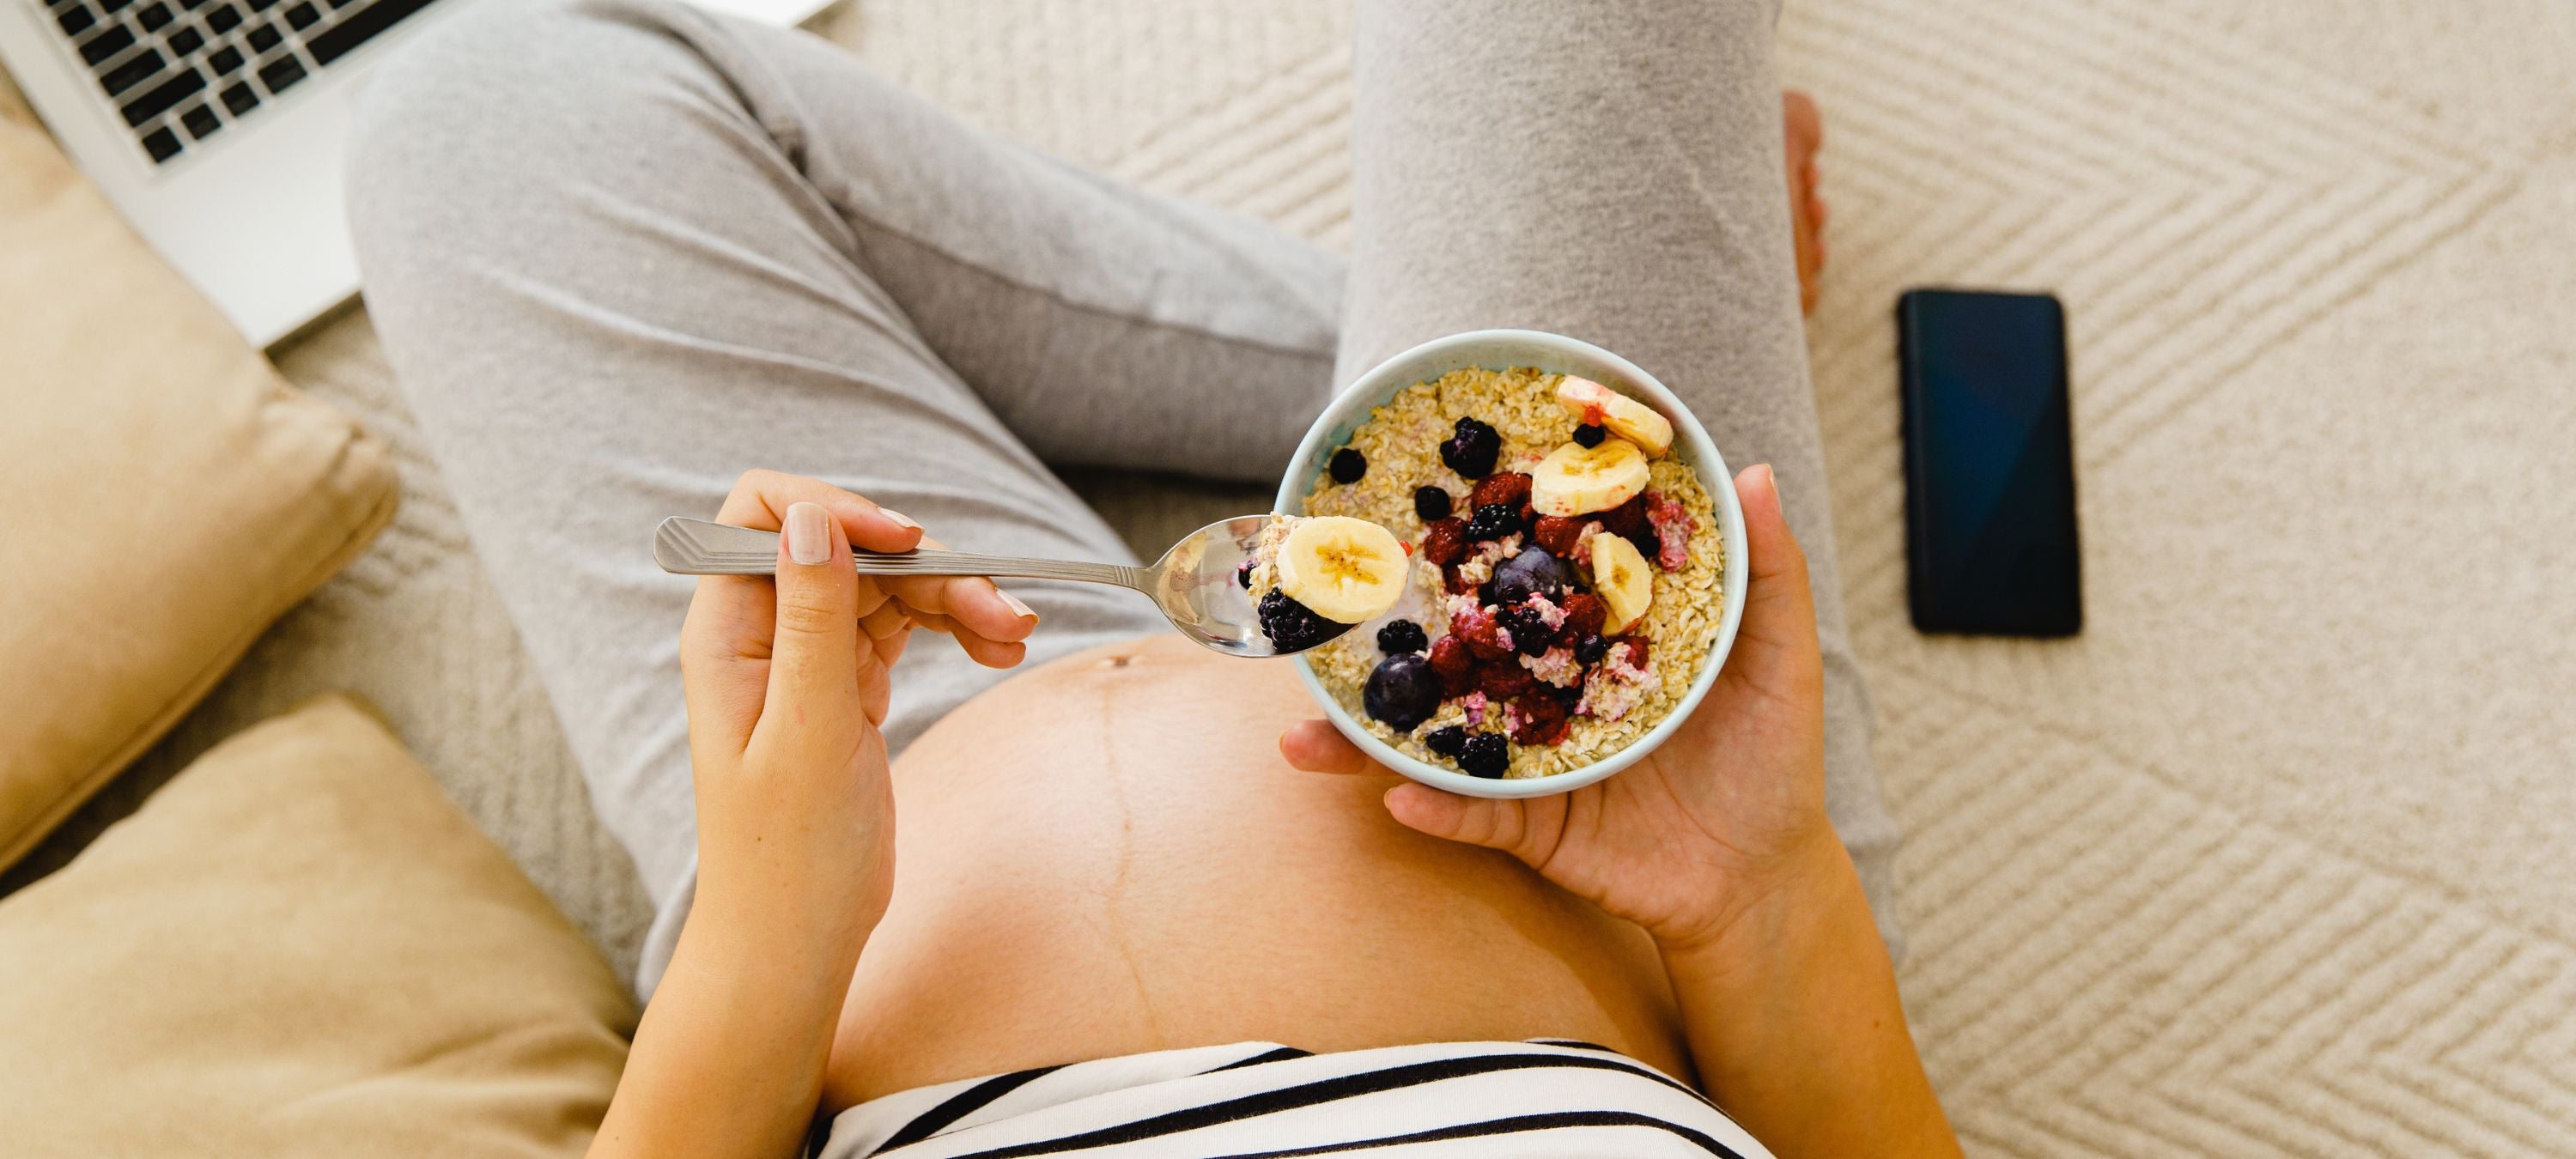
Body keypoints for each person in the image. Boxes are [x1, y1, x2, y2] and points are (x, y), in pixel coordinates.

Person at [347, 0, 1957, 1153]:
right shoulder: (1703, 863)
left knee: (487, 102)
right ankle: (1474, 411)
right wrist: (1758, 892)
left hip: (832, 865)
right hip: (1619, 823)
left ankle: (1448, 385)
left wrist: (770, 934)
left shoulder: (789, 911)